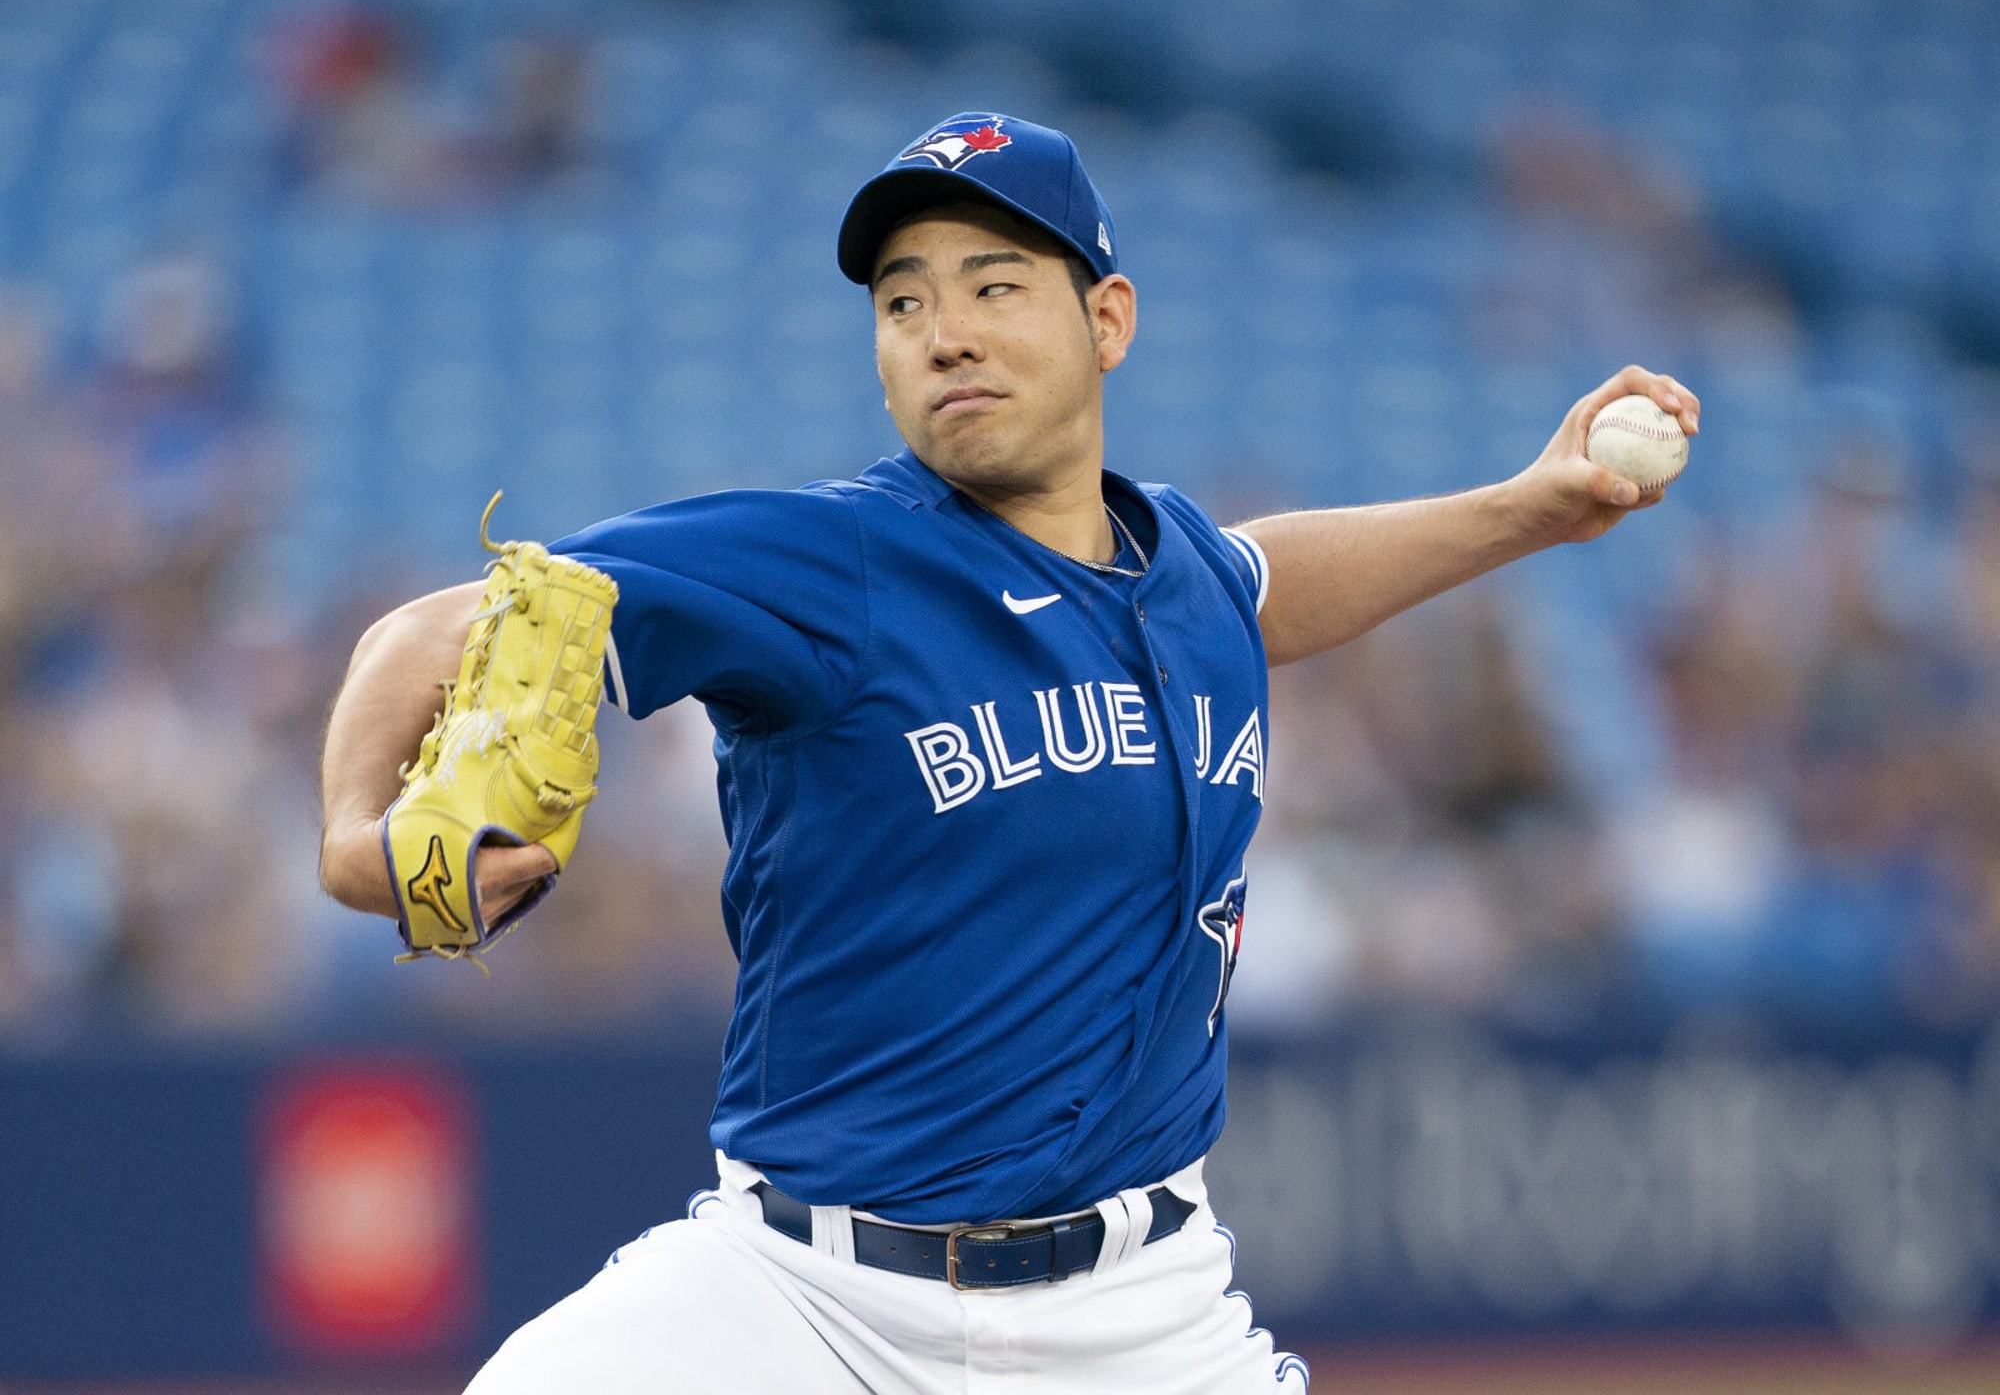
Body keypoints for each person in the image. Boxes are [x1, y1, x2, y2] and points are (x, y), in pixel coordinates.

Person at [318, 111, 1700, 1393]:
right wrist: (351, 840)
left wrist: (1530, 510)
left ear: (1109, 320)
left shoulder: (1184, 575)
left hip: (1146, 1316)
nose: (943, 331)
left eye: (993, 285)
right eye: (904, 300)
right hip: (806, 1307)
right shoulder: (836, 564)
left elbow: (1264, 584)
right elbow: (436, 628)